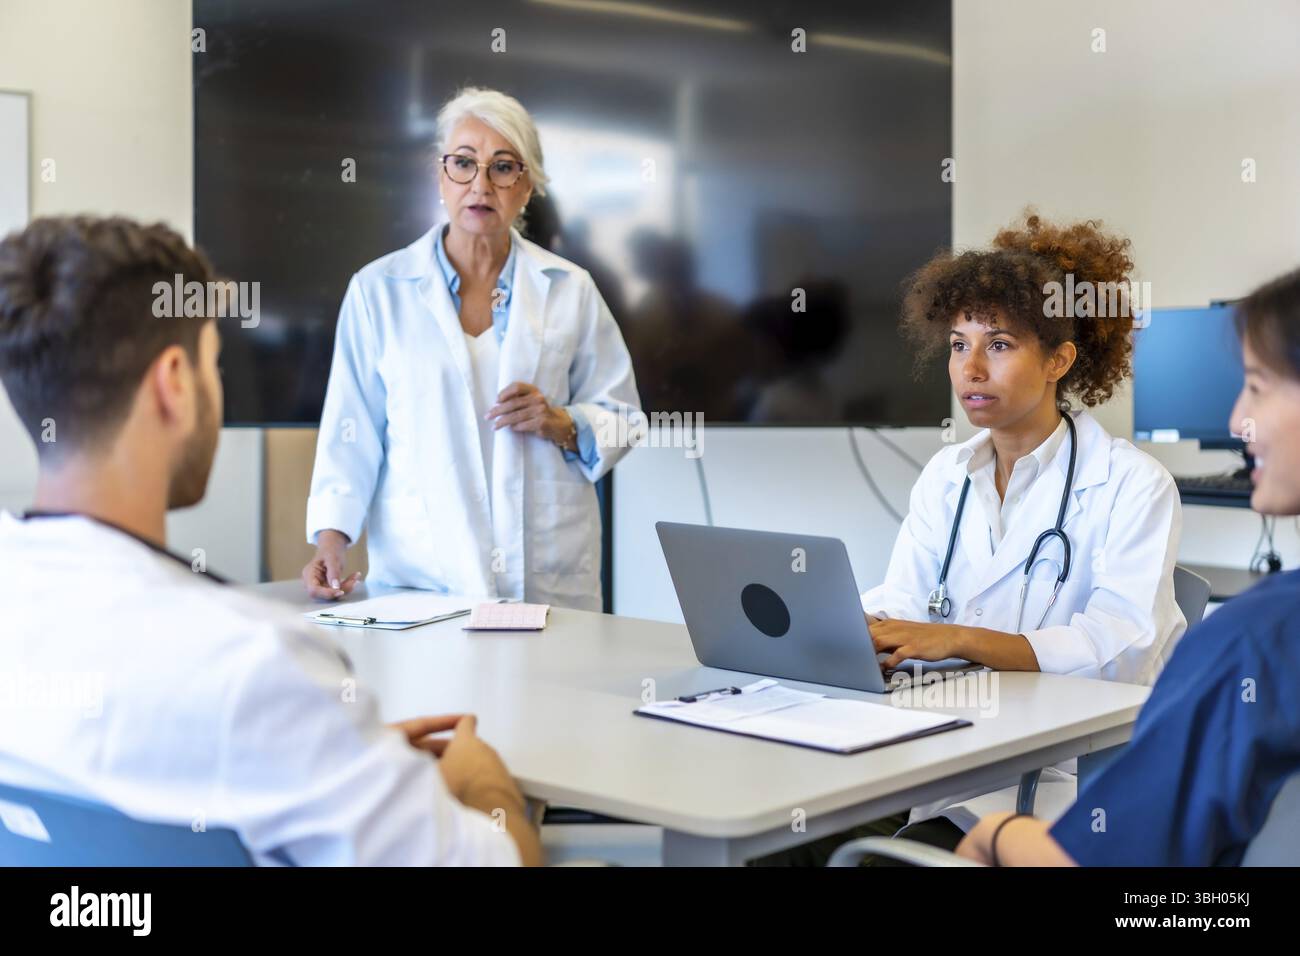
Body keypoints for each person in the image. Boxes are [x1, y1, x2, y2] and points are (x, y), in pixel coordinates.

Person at [0, 215, 542, 866]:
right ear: (174, 383)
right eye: (215, 364)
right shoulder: (258, 665)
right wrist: (481, 779)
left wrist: (335, 752)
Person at [957, 264, 1300, 866]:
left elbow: (1105, 865)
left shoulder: (1257, 642)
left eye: (1257, 384)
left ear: (1058, 360)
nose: (1234, 420)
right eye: (959, 345)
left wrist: (996, 836)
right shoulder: (1262, 640)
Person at [304, 87, 639, 612]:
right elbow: (351, 429)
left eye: (503, 168)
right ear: (441, 176)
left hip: (544, 575)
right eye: (463, 163)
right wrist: (331, 542)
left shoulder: (570, 288)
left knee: (551, 695)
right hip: (423, 575)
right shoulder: (378, 290)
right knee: (432, 696)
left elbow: (624, 417)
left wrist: (562, 422)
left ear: (527, 186)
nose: (480, 185)